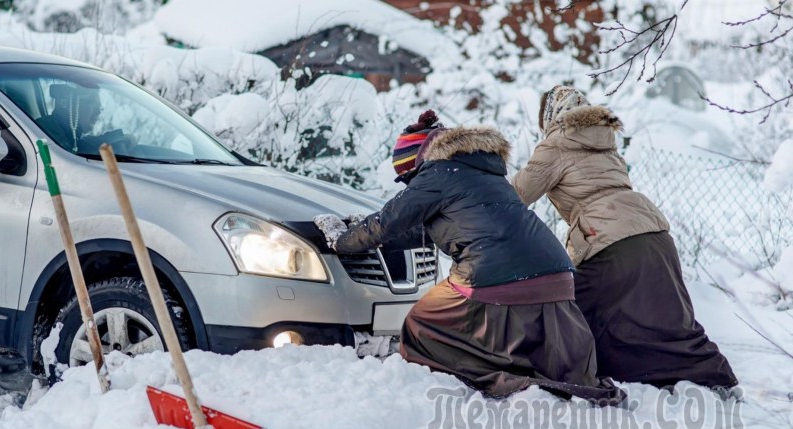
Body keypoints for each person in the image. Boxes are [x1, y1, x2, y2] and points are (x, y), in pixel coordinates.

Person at [316, 111, 624, 404]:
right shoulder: (481, 173)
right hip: (556, 274)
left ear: (416, 163)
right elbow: (422, 229)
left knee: (422, 320)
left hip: (495, 276)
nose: (411, 186)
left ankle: (490, 376)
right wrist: (361, 228)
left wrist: (341, 240)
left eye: (408, 178)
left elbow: (387, 223)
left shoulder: (436, 173)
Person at [512, 85, 737, 389]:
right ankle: (716, 378)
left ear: (550, 117)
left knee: (570, 311)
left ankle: (559, 377)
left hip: (610, 239)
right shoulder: (606, 142)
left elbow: (515, 196)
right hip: (655, 234)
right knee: (668, 319)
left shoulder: (555, 144)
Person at [35, 83, 134, 154]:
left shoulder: (73, 137)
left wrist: (123, 138)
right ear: (71, 104)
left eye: (100, 108)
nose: (98, 112)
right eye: (93, 105)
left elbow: (92, 143)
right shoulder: (46, 132)